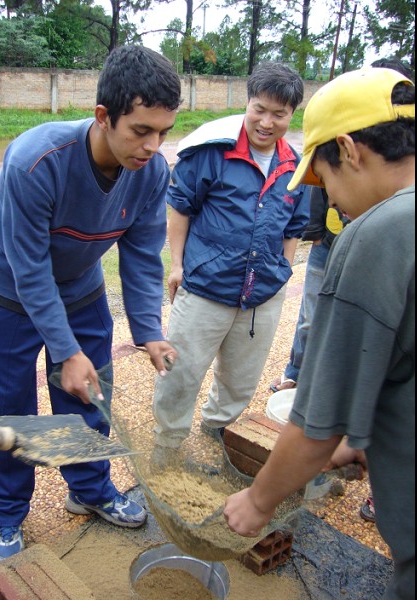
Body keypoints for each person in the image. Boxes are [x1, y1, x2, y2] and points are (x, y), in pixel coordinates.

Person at [0, 45, 182, 562]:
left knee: (90, 397)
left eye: (163, 132)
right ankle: (7, 515)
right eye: (141, 131)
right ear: (103, 116)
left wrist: (148, 331)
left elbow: (141, 254)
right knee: (9, 411)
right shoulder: (35, 162)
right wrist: (65, 351)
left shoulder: (152, 172)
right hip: (10, 294)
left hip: (82, 291)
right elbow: (29, 271)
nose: (153, 146)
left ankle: (88, 490)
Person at [224, 67, 415, 599]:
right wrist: (365, 439)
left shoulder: (380, 233)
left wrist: (258, 501)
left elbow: (317, 423)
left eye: (324, 179)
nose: (329, 202)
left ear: (349, 150)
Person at [152, 61, 310, 451]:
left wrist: (283, 269)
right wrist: (177, 265)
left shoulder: (296, 166)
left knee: (240, 379)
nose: (267, 122)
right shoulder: (211, 152)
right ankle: (167, 447)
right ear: (248, 102)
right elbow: (181, 209)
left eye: (279, 114)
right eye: (260, 109)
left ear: (292, 114)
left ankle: (215, 434)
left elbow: (295, 226)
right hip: (205, 286)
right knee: (181, 373)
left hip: (262, 296)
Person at [270, 187, 350, 393]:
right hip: (325, 245)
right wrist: (316, 234)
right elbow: (317, 189)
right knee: (309, 317)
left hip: (360, 243)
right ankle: (295, 371)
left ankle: (333, 381)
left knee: (349, 317)